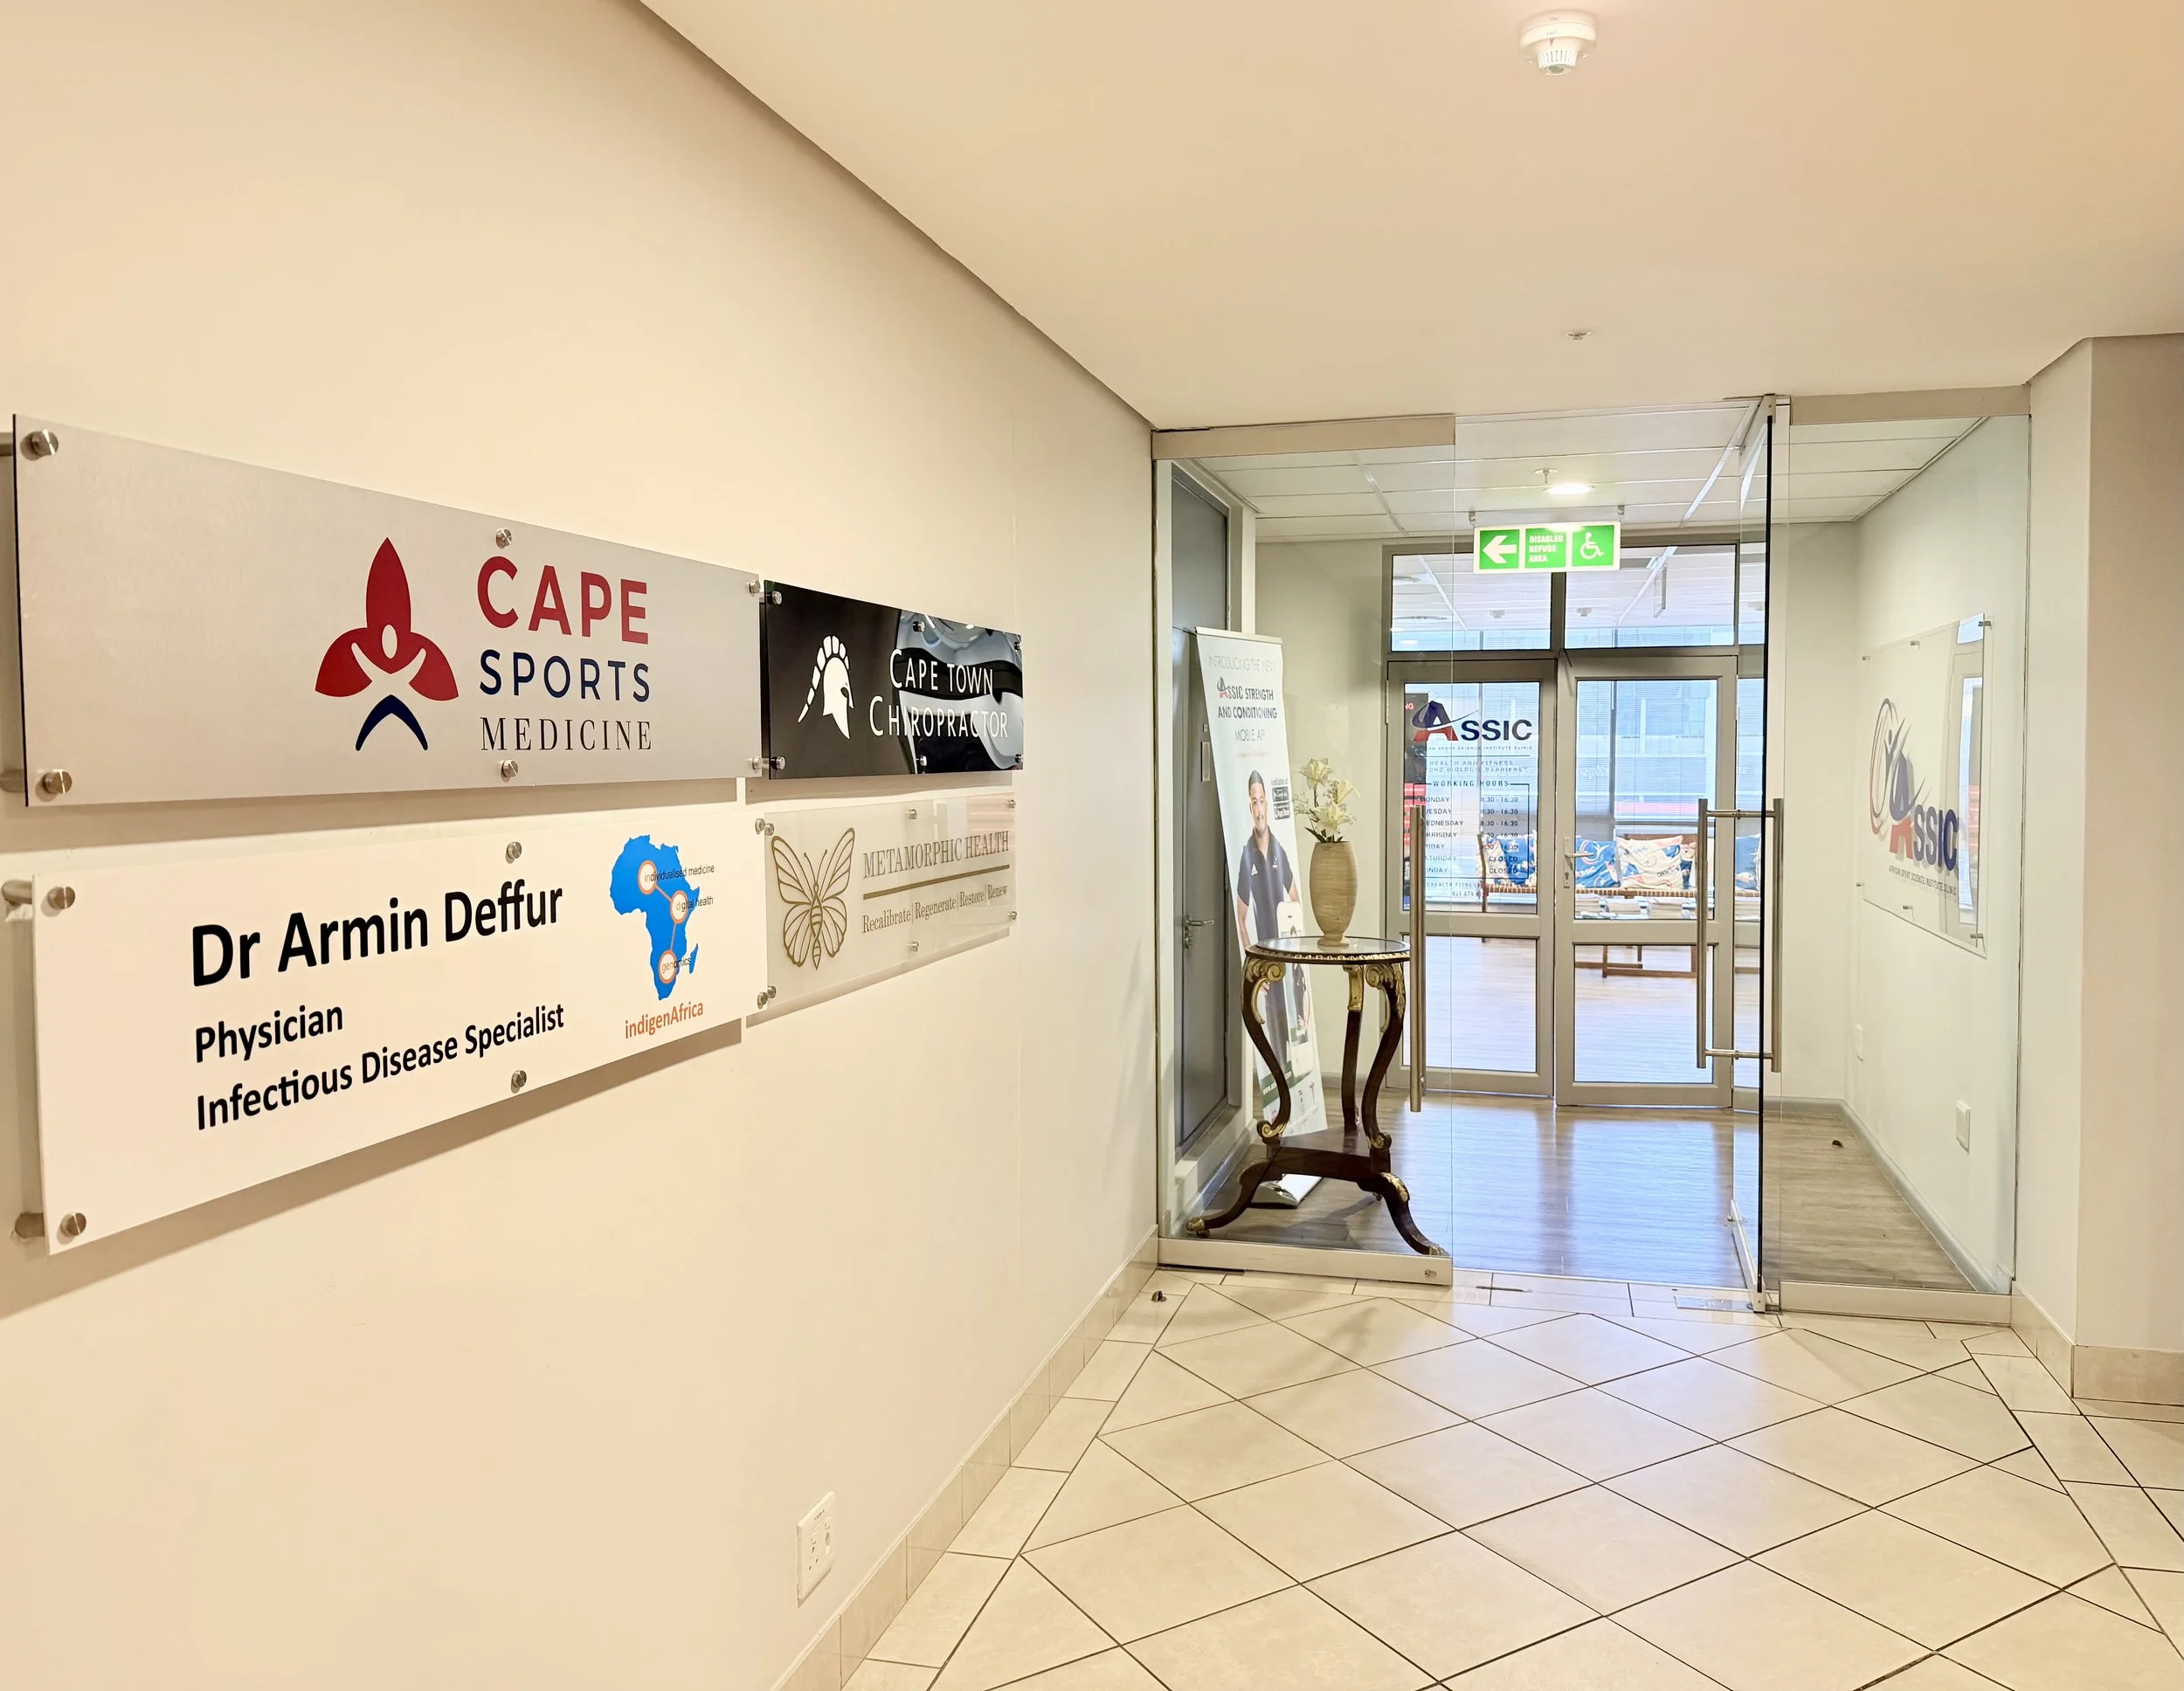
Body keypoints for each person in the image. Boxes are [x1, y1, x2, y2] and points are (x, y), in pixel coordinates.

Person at [1233, 770, 1302, 1062]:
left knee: (1294, 1022)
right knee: (1274, 1032)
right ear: (1250, 808)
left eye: (1262, 801)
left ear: (1268, 805)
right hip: (1267, 960)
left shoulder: (1279, 849)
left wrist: (1297, 942)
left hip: (1288, 955)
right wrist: (1253, 961)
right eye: (1254, 802)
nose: (1259, 809)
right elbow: (1241, 916)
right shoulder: (1247, 854)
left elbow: (1295, 898)